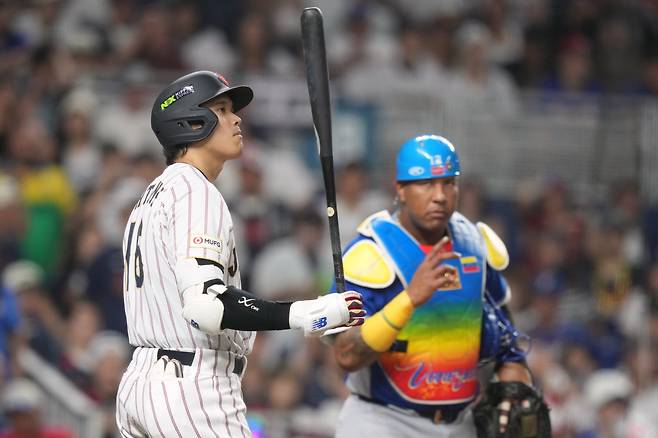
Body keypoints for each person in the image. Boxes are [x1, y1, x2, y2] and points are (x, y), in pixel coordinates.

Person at [115, 70, 365, 437]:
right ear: (191, 121)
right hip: (192, 389)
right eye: (222, 108)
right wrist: (307, 313)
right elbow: (207, 307)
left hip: (143, 383)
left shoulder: (152, 195)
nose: (237, 118)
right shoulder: (194, 191)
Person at [331, 135, 549, 437]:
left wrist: (514, 373)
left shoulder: (474, 242)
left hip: (461, 421)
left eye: (449, 183)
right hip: (382, 422)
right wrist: (409, 299)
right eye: (426, 184)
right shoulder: (371, 252)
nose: (440, 196)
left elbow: (503, 329)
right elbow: (347, 355)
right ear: (401, 190)